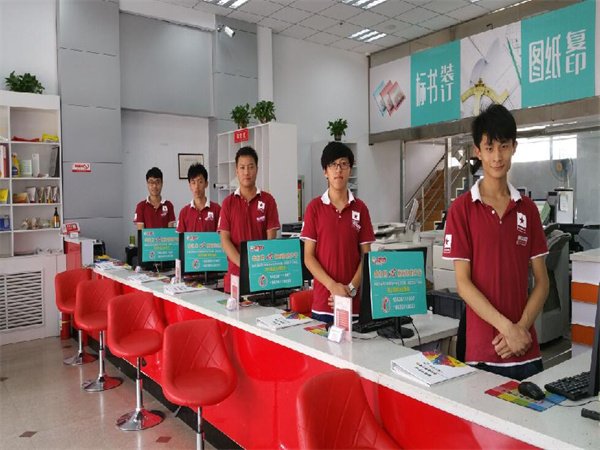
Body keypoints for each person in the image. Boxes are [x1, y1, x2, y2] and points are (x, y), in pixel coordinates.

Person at [443, 104, 549, 380]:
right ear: (478, 152)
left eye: (503, 146)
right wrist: (508, 329)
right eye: (489, 148)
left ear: (514, 147)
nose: (497, 156)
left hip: (525, 349)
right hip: (482, 353)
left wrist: (520, 330)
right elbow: (463, 284)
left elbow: (542, 281)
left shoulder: (528, 209)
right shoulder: (462, 210)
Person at [300, 142, 375, 324]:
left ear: (350, 170)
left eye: (343, 164)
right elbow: (308, 257)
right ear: (325, 172)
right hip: (324, 304)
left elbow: (367, 257)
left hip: (354, 304)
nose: (338, 170)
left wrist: (351, 290)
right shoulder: (314, 208)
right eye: (333, 164)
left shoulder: (360, 208)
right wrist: (332, 286)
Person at [218, 147, 280, 293]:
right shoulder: (228, 203)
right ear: (236, 171)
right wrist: (245, 265)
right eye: (242, 168)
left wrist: (257, 266)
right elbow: (225, 241)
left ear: (257, 170)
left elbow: (270, 240)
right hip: (236, 276)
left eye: (251, 167)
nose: (246, 172)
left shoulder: (268, 200)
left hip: (262, 276)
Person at [176, 163, 220, 233]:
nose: (196, 186)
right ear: (190, 186)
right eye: (193, 183)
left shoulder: (217, 209)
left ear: (206, 184)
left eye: (200, 182)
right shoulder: (184, 212)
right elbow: (180, 237)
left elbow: (221, 235)